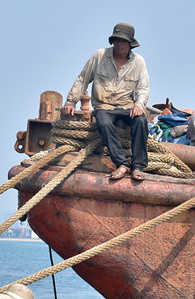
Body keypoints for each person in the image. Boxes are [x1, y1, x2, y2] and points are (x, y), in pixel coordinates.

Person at [62, 22, 150, 181]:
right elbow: (83, 79)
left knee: (141, 121)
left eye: (123, 41)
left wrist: (139, 105)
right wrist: (70, 102)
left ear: (130, 44)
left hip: (127, 107)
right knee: (103, 123)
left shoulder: (139, 62)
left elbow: (143, 88)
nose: (119, 43)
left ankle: (138, 166)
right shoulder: (99, 56)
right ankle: (123, 164)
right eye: (116, 40)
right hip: (104, 107)